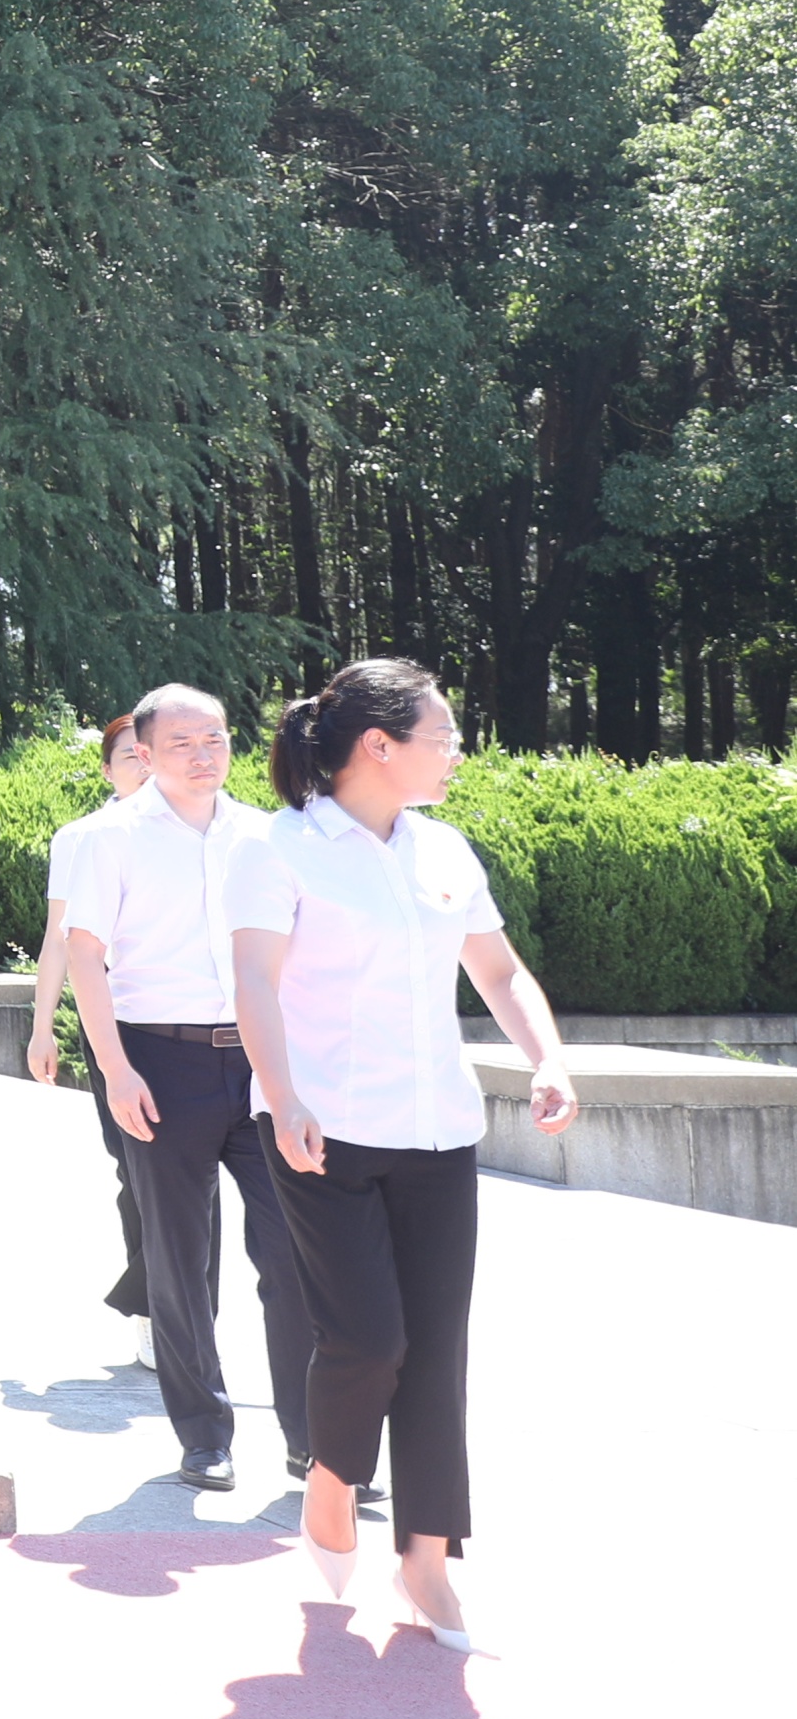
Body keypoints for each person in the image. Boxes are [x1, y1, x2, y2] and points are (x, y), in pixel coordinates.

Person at [231, 658, 577, 1651]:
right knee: (368, 1340)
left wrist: (547, 1057)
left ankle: (427, 1559)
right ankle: (333, 1476)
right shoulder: (279, 848)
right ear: (379, 746)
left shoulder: (445, 850)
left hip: (438, 1133)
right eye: (444, 735)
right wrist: (284, 1094)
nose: (458, 751)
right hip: (321, 1130)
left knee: (435, 1352)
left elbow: (499, 971)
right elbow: (255, 982)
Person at [64, 685, 313, 1493]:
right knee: (179, 1259)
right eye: (183, 743)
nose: (205, 755)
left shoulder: (267, 835)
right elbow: (85, 955)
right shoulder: (111, 838)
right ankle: (205, 1435)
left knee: (295, 1251)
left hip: (262, 1064)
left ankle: (314, 1441)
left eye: (216, 738)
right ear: (143, 752)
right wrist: (115, 1069)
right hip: (159, 1062)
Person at [29, 711, 156, 1349]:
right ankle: (153, 1311)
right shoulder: (81, 838)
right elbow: (60, 938)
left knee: (189, 1177)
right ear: (106, 770)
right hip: (116, 1019)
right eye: (130, 756)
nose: (145, 765)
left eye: (152, 752)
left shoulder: (216, 830)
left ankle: (177, 1312)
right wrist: (42, 1027)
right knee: (134, 1168)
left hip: (207, 1022)